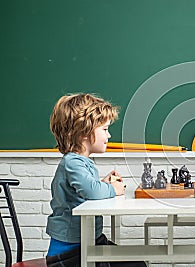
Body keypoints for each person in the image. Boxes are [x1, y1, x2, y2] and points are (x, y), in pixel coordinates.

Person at [46, 93, 146, 267]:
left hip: (88, 240)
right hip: (71, 249)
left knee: (135, 262)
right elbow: (91, 191)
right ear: (84, 132)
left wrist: (103, 184)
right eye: (105, 129)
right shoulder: (73, 162)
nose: (109, 136)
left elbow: (84, 190)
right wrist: (113, 189)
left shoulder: (81, 162)